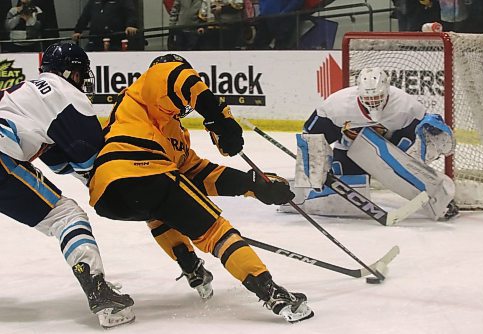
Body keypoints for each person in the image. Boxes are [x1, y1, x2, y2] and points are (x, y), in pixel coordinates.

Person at [87, 53, 314, 323]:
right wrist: (220, 118)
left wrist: (252, 185)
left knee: (161, 208)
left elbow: (197, 173)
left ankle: (191, 266)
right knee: (215, 230)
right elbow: (180, 75)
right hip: (143, 171)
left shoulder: (172, 131)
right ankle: (272, 293)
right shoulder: (146, 86)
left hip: (107, 194)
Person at [0, 42, 135, 328]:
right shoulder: (70, 97)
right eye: (80, 73)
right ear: (71, 73)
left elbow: (58, 161)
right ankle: (100, 293)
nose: (83, 80)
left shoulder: (28, 92)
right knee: (66, 216)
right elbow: (89, 163)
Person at [298, 67, 458, 220]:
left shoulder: (405, 106)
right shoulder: (337, 106)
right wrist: (316, 170)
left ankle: (439, 196)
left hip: (392, 149)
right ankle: (306, 195)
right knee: (345, 196)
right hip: (350, 149)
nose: (373, 102)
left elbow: (425, 138)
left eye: (377, 97)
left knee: (408, 169)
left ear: (387, 89)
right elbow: (312, 135)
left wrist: (415, 163)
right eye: (368, 98)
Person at [72, 0, 139, 51]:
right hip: (95, 41)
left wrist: (131, 25)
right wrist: (78, 31)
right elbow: (84, 17)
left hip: (116, 41)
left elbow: (130, 13)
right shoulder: (93, 2)